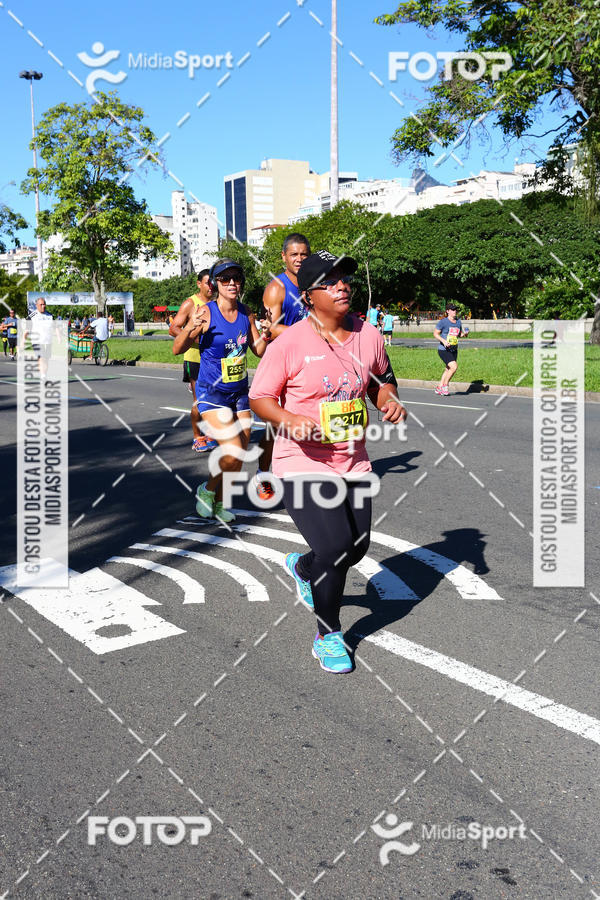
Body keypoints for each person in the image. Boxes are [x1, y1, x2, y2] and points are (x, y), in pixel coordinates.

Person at [249, 250, 407, 674]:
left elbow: (382, 382)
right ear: (309, 295)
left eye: (345, 279)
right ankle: (328, 633)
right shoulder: (289, 343)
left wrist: (389, 402)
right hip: (299, 459)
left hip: (351, 460)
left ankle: (303, 566)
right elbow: (260, 398)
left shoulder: (368, 335)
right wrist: (291, 420)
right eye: (331, 281)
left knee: (356, 548)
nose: (342, 286)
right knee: (335, 549)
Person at [172, 258, 269, 523]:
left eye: (236, 278)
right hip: (211, 394)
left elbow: (259, 350)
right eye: (225, 279)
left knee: (240, 453)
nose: (232, 284)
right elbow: (177, 349)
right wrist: (191, 327)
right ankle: (208, 490)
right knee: (234, 448)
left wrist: (268, 335)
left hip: (239, 393)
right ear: (216, 283)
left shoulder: (246, 313)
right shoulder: (205, 312)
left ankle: (220, 503)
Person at [253, 232, 311, 501]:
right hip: (281, 363)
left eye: (303, 255)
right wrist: (312, 333)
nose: (299, 259)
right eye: (294, 254)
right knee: (274, 428)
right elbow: (270, 330)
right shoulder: (277, 287)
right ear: (284, 257)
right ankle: (264, 475)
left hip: (309, 362)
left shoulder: (314, 282)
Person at [170, 269, 217, 453]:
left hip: (213, 359)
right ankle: (198, 437)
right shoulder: (191, 303)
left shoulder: (216, 304)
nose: (211, 287)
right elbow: (174, 328)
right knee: (200, 400)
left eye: (213, 283)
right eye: (208, 283)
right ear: (199, 284)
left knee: (215, 398)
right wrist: (193, 339)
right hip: (194, 359)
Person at [433, 302, 469, 396]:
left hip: (454, 349)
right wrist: (444, 341)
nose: (455, 311)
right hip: (443, 349)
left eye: (455, 309)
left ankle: (439, 387)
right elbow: (435, 334)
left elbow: (458, 334)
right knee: (454, 367)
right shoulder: (443, 322)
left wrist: (464, 334)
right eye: (452, 310)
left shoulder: (458, 322)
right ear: (448, 311)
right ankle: (445, 386)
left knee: (448, 368)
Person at [24, 297, 53, 376]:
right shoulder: (31, 316)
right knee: (42, 358)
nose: (43, 306)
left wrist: (59, 336)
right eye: (41, 304)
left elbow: (54, 327)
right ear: (36, 305)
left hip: (47, 341)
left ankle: (44, 374)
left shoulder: (50, 315)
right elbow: (27, 330)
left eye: (44, 304)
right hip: (37, 341)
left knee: (46, 360)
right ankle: (43, 376)